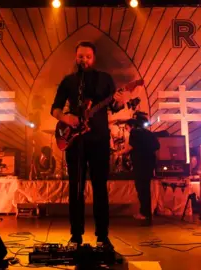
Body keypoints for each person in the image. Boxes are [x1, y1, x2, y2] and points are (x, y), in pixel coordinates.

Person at [51, 41, 124, 248]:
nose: (84, 59)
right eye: (81, 56)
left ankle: (102, 235)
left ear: (94, 58)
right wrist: (66, 119)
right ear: (76, 57)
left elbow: (115, 106)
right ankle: (76, 235)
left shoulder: (104, 79)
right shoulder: (69, 81)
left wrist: (119, 100)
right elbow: (55, 109)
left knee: (100, 187)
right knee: (76, 188)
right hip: (75, 142)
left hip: (99, 140)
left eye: (88, 56)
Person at [116, 117, 160, 225]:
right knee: (146, 189)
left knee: (141, 189)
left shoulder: (134, 133)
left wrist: (118, 153)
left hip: (140, 164)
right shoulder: (149, 133)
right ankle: (147, 213)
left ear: (131, 126)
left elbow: (129, 148)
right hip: (150, 164)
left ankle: (144, 213)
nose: (126, 130)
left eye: (126, 128)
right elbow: (157, 146)